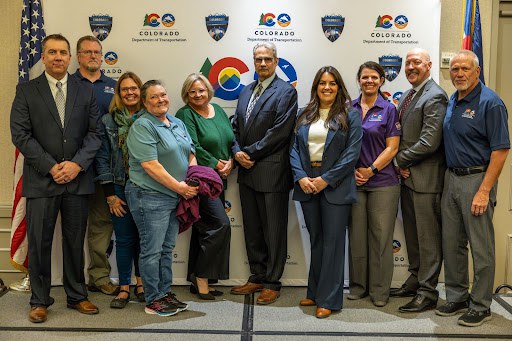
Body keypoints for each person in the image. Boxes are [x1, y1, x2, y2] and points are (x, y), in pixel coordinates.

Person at [10, 34, 101, 323]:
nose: (58, 57)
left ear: (70, 57)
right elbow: (21, 135)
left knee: (75, 241)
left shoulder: (85, 91)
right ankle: (39, 300)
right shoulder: (26, 91)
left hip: (77, 179)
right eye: (52, 52)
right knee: (39, 242)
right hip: (41, 179)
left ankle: (77, 296)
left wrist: (76, 165)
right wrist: (52, 167)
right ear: (44, 57)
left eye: (63, 52)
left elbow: (95, 134)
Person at [436, 50, 510, 327]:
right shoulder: (453, 100)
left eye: (465, 69)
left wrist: (484, 190)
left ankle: (480, 305)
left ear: (477, 71)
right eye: (454, 69)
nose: (459, 74)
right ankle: (456, 296)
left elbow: (501, 150)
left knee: (481, 247)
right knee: (452, 243)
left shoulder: (491, 103)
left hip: (477, 180)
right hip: (451, 179)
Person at [290, 66, 362, 318]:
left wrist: (325, 179)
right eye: (322, 83)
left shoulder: (350, 115)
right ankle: (314, 292)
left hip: (335, 187)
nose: (327, 87)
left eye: (332, 83)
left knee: (333, 243)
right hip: (308, 186)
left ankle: (329, 300)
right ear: (316, 87)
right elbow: (294, 150)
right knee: (317, 240)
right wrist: (301, 178)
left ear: (339, 87)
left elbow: (352, 154)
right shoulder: (304, 114)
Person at [230, 42, 298, 305]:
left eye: (267, 59)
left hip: (271, 172)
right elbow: (234, 126)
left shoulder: (285, 92)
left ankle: (272, 281)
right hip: (246, 172)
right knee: (253, 229)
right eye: (258, 59)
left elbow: (279, 133)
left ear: (276, 61)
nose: (262, 64)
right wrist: (237, 152)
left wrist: (249, 154)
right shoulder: (246, 91)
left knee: (273, 230)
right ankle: (257, 275)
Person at [125, 80, 199, 316]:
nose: (161, 100)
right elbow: (150, 165)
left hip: (175, 195)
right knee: (152, 249)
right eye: (154, 97)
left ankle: (165, 294)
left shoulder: (176, 122)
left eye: (163, 95)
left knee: (167, 248)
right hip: (149, 195)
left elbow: (191, 153)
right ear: (145, 102)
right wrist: (180, 187)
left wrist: (192, 179)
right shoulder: (142, 126)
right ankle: (152, 299)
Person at [392, 48, 448, 313]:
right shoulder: (408, 95)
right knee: (413, 236)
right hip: (408, 178)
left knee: (428, 238)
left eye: (417, 62)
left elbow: (429, 141)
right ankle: (415, 278)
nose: (411, 67)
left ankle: (428, 292)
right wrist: (402, 165)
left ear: (429, 65)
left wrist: (399, 161)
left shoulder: (435, 96)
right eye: (408, 63)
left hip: (426, 181)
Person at [175, 73, 232, 300]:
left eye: (201, 90)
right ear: (186, 95)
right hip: (201, 181)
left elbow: (230, 138)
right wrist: (217, 163)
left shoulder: (218, 110)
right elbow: (193, 146)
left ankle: (196, 280)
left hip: (219, 180)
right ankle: (201, 277)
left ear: (209, 90)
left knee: (204, 230)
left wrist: (231, 160)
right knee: (220, 225)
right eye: (192, 91)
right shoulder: (185, 114)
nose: (198, 95)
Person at [348, 61, 401, 307]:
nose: (369, 81)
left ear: (382, 80)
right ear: (358, 80)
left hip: (382, 182)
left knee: (380, 238)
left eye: (374, 77)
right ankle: (359, 287)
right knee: (357, 237)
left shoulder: (389, 109)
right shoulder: (349, 108)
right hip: (353, 181)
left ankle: (380, 291)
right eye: (364, 77)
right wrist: (354, 172)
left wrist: (370, 170)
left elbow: (392, 147)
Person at [95, 72, 145, 308]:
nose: (130, 93)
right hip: (120, 186)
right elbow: (102, 159)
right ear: (118, 93)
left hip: (147, 186)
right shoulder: (109, 121)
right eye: (124, 89)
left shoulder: (152, 118)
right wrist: (110, 195)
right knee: (125, 239)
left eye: (134, 88)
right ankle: (124, 287)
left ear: (141, 90)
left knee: (144, 239)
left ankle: (141, 283)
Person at [73, 35, 118, 296]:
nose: (92, 56)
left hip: (104, 169)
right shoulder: (67, 84)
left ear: (102, 56)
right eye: (87, 52)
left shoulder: (113, 87)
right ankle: (73, 277)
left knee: (102, 224)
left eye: (96, 52)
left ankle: (99, 276)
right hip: (74, 167)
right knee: (74, 225)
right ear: (78, 56)